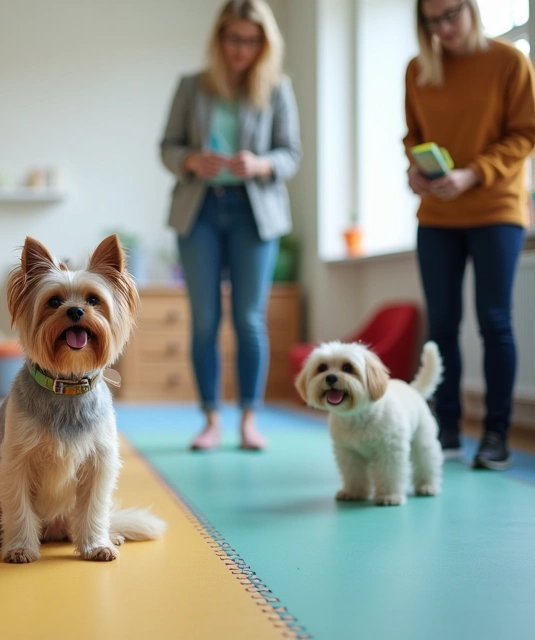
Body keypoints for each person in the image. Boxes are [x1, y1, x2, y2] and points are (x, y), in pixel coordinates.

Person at [404, 0, 535, 470]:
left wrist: (474, 174)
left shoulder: (509, 62)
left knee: (494, 321)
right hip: (437, 216)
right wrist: (415, 172)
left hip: (496, 208)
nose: (444, 28)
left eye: (451, 15)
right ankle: (445, 429)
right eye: (432, 21)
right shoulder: (418, 71)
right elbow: (413, 135)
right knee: (441, 326)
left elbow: (526, 134)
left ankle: (496, 434)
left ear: (471, 9)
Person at [160, 0, 301, 452]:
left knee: (248, 318)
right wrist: (189, 160)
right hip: (199, 211)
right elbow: (167, 147)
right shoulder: (191, 87)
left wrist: (260, 164)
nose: (242, 49)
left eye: (252, 40)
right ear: (220, 38)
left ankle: (248, 419)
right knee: (204, 319)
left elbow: (291, 154)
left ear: (264, 43)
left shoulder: (277, 88)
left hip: (253, 213)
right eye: (234, 38)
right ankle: (209, 419)